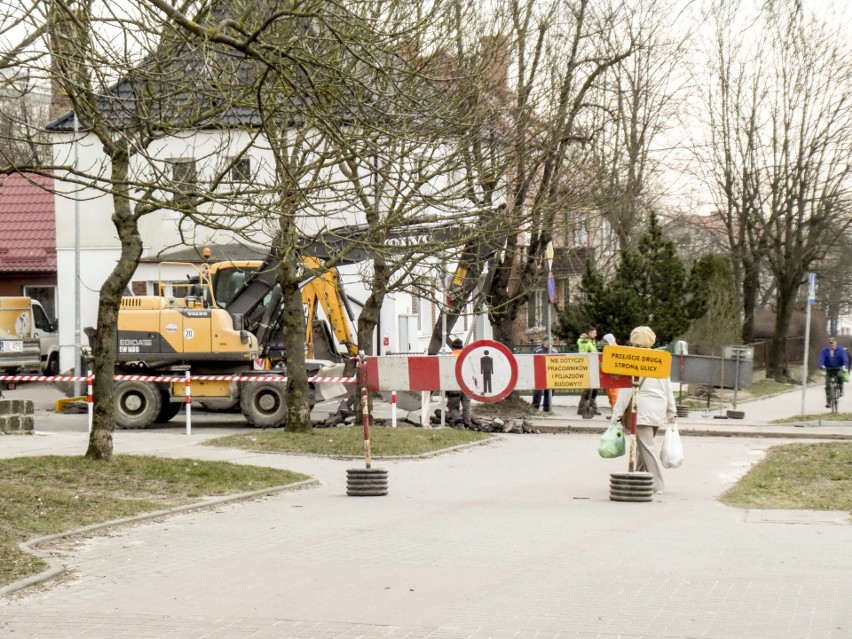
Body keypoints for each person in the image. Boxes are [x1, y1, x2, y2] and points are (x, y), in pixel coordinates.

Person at [608, 326, 676, 493]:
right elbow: (668, 388)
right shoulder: (660, 360)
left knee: (647, 447)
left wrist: (616, 415)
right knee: (642, 446)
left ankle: (657, 484)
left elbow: (625, 391)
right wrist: (671, 411)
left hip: (642, 409)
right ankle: (639, 476)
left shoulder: (633, 361)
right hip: (658, 408)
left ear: (634, 342)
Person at [446, 337, 471, 428]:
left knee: (452, 407)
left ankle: (460, 423)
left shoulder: (449, 358)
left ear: (453, 347)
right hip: (466, 385)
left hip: (454, 386)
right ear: (461, 347)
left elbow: (447, 373)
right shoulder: (467, 357)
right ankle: (467, 424)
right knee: (466, 406)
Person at [818, 336, 849, 408]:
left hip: (838, 368)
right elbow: (821, 358)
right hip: (829, 369)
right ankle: (828, 401)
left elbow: (845, 358)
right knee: (828, 385)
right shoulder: (825, 350)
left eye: (833, 343)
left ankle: (841, 388)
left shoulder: (840, 350)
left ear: (836, 343)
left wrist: (845, 365)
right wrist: (821, 365)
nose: (832, 344)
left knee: (840, 376)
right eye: (830, 343)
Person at [577, 327, 599, 418]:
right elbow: (584, 351)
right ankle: (582, 408)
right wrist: (585, 339)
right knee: (587, 389)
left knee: (593, 389)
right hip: (587, 366)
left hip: (592, 367)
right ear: (589, 333)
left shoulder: (591, 341)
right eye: (594, 333)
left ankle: (591, 408)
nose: (596, 335)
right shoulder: (583, 341)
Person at [532, 335, 556, 411]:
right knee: (537, 391)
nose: (551, 342)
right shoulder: (537, 350)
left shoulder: (554, 351)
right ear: (544, 341)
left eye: (552, 341)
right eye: (550, 340)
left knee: (550, 391)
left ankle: (547, 408)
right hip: (539, 373)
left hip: (551, 373)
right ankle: (535, 407)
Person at [601, 333, 619, 410]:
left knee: (614, 394)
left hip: (613, 376)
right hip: (610, 375)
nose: (603, 343)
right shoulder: (609, 348)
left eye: (605, 341)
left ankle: (615, 411)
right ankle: (614, 410)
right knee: (611, 394)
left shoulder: (613, 349)